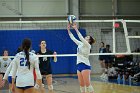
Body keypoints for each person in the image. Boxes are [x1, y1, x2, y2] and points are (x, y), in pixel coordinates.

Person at [67, 23, 95, 93]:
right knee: (81, 85)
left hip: (85, 65)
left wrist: (76, 29)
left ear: (89, 41)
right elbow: (73, 38)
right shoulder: (80, 44)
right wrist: (68, 30)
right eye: (86, 36)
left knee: (88, 85)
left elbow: (81, 37)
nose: (86, 37)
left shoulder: (88, 45)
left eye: (87, 37)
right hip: (79, 65)